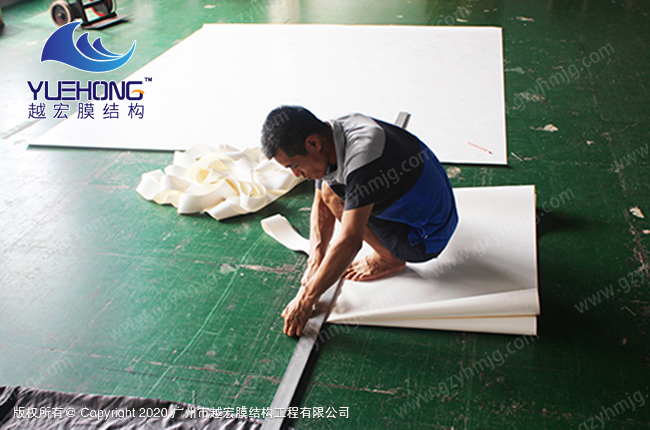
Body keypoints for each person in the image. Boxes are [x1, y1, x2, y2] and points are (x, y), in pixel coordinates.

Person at [261, 106, 458, 337]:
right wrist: (315, 260)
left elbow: (350, 241)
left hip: (425, 237)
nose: (296, 174)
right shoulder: (331, 133)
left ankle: (389, 258)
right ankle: (363, 253)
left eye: (294, 165)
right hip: (427, 202)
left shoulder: (364, 158)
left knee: (337, 197)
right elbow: (320, 196)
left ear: (312, 143)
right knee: (329, 188)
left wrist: (306, 299)